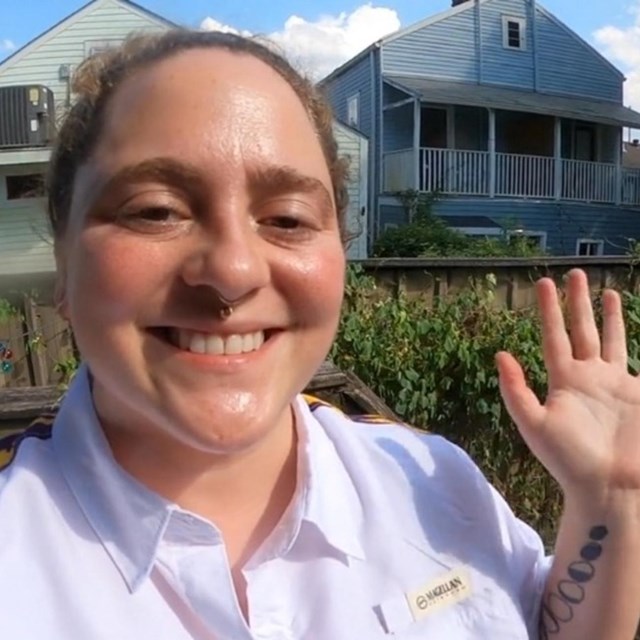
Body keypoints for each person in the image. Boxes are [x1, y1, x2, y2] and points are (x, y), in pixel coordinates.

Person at [0, 29, 638, 640]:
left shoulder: (430, 479)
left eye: (286, 218)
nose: (233, 270)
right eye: (156, 211)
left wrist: (608, 504)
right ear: (63, 259)